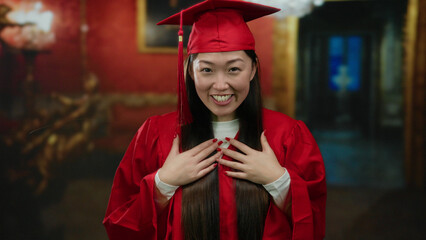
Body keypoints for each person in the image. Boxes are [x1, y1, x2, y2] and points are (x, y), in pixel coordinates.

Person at [103, 0, 326, 239]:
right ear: (190, 71)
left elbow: (314, 223)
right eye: (207, 70)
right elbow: (120, 225)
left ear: (252, 69)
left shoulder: (288, 134)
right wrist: (162, 183)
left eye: (234, 69)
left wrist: (279, 181)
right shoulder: (156, 133)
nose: (221, 85)